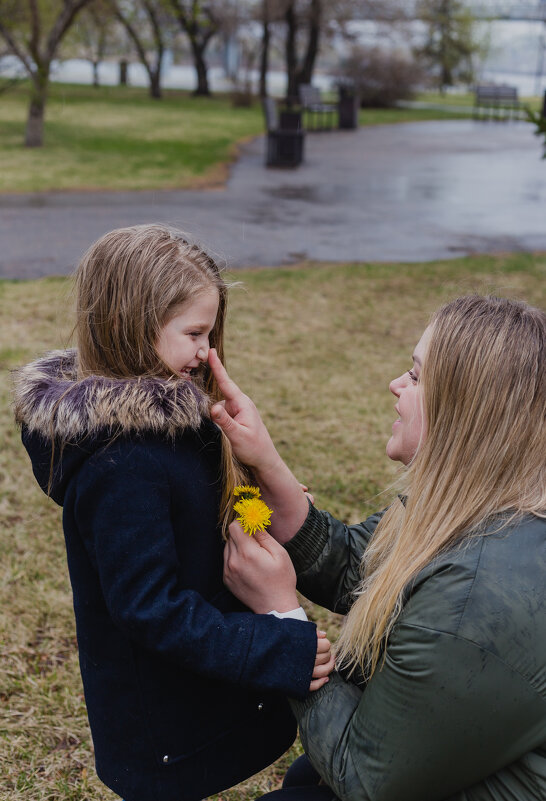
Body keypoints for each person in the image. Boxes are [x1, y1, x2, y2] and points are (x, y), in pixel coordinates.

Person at [13, 224, 334, 801]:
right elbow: (148, 608)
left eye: (210, 333)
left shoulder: (178, 417)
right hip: (164, 718)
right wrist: (275, 649)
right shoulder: (122, 464)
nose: (207, 351)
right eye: (194, 333)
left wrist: (258, 514)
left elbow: (205, 509)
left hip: (201, 686)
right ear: (130, 327)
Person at [207, 294, 546, 801]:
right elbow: (358, 571)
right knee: (302, 781)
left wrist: (282, 619)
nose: (395, 385)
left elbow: (368, 781)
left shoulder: (477, 596)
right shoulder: (485, 501)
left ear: (463, 410)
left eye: (415, 376)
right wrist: (269, 466)